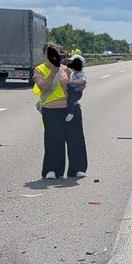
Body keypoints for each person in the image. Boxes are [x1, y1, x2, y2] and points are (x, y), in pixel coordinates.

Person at [34, 42, 88, 180]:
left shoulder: (67, 69)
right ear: (45, 54)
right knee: (54, 139)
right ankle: (52, 169)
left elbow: (79, 84)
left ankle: (77, 168)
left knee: (75, 138)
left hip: (70, 107)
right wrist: (53, 72)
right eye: (51, 53)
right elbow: (43, 87)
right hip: (51, 109)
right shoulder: (40, 70)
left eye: (57, 53)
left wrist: (78, 86)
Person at [65, 56, 86, 122]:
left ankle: (71, 113)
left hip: (76, 92)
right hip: (72, 90)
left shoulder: (80, 73)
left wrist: (72, 81)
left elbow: (83, 81)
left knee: (70, 100)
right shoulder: (73, 72)